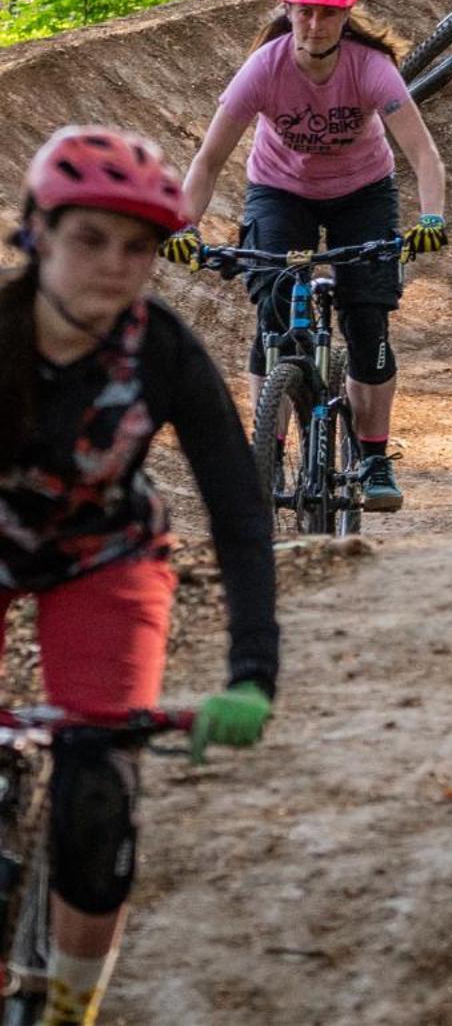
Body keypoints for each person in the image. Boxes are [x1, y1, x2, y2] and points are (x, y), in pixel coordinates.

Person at [0, 125, 278, 1026]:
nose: (115, 266)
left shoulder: (161, 349)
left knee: (98, 798)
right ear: (37, 231)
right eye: (90, 238)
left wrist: (251, 675)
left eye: (140, 247)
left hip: (106, 553)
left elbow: (237, 511)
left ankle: (72, 1012)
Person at [163, 0, 448, 514]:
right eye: (304, 11)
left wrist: (432, 216)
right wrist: (183, 226)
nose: (315, 24)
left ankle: (372, 458)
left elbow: (423, 153)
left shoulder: (371, 68)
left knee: (366, 319)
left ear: (347, 13)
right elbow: (208, 160)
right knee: (273, 309)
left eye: (328, 12)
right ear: (286, 8)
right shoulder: (263, 69)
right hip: (280, 192)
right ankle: (263, 453)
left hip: (363, 192)